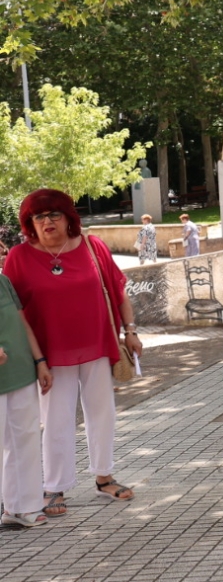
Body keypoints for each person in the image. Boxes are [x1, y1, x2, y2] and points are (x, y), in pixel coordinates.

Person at [3, 189, 141, 514]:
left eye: (54, 214)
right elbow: (10, 310)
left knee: (103, 412)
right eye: (39, 216)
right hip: (50, 353)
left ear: (69, 218)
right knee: (56, 419)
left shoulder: (93, 247)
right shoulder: (19, 257)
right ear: (30, 223)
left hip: (98, 343)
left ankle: (104, 477)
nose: (47, 221)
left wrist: (131, 331)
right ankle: (55, 487)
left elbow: (118, 291)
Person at [0, 257, 51, 528]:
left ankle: (22, 507)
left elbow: (23, 324)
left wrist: (39, 361)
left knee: (26, 440)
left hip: (21, 372)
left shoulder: (3, 282)